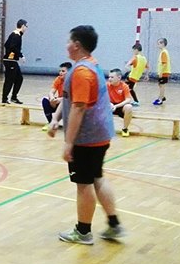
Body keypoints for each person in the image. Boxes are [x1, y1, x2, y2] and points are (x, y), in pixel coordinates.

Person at [47, 25, 124, 245]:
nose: (66, 45)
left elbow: (79, 108)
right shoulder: (91, 65)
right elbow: (69, 98)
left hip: (87, 138)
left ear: (76, 45)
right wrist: (55, 118)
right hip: (101, 134)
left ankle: (83, 232)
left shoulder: (81, 72)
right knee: (97, 177)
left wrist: (68, 143)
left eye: (68, 41)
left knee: (84, 183)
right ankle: (114, 225)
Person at [2, 19, 27, 104]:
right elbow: (12, 47)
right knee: (9, 80)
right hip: (10, 61)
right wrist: (20, 55)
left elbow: (6, 45)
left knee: (19, 78)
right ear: (22, 26)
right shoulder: (16, 35)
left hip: (12, 60)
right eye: (26, 26)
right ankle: (4, 99)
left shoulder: (15, 34)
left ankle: (13, 97)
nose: (26, 28)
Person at [41, 62, 72, 131]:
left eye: (63, 71)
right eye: (59, 71)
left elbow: (71, 97)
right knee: (45, 100)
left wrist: (60, 100)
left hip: (69, 104)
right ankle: (50, 123)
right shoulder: (58, 79)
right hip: (60, 102)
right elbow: (51, 91)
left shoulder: (73, 81)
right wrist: (52, 98)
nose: (60, 73)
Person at [107, 68, 133, 137]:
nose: (109, 79)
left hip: (120, 106)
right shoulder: (106, 85)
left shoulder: (124, 86)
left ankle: (125, 129)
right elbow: (102, 98)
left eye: (112, 77)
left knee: (129, 107)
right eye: (109, 77)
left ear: (119, 78)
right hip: (109, 106)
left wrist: (116, 106)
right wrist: (109, 103)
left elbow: (128, 100)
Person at [153, 37, 170, 105]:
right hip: (163, 72)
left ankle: (161, 99)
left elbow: (164, 63)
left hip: (164, 72)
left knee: (162, 85)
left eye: (159, 43)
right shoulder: (163, 52)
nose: (158, 45)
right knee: (160, 84)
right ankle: (162, 96)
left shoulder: (164, 52)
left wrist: (161, 72)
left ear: (163, 44)